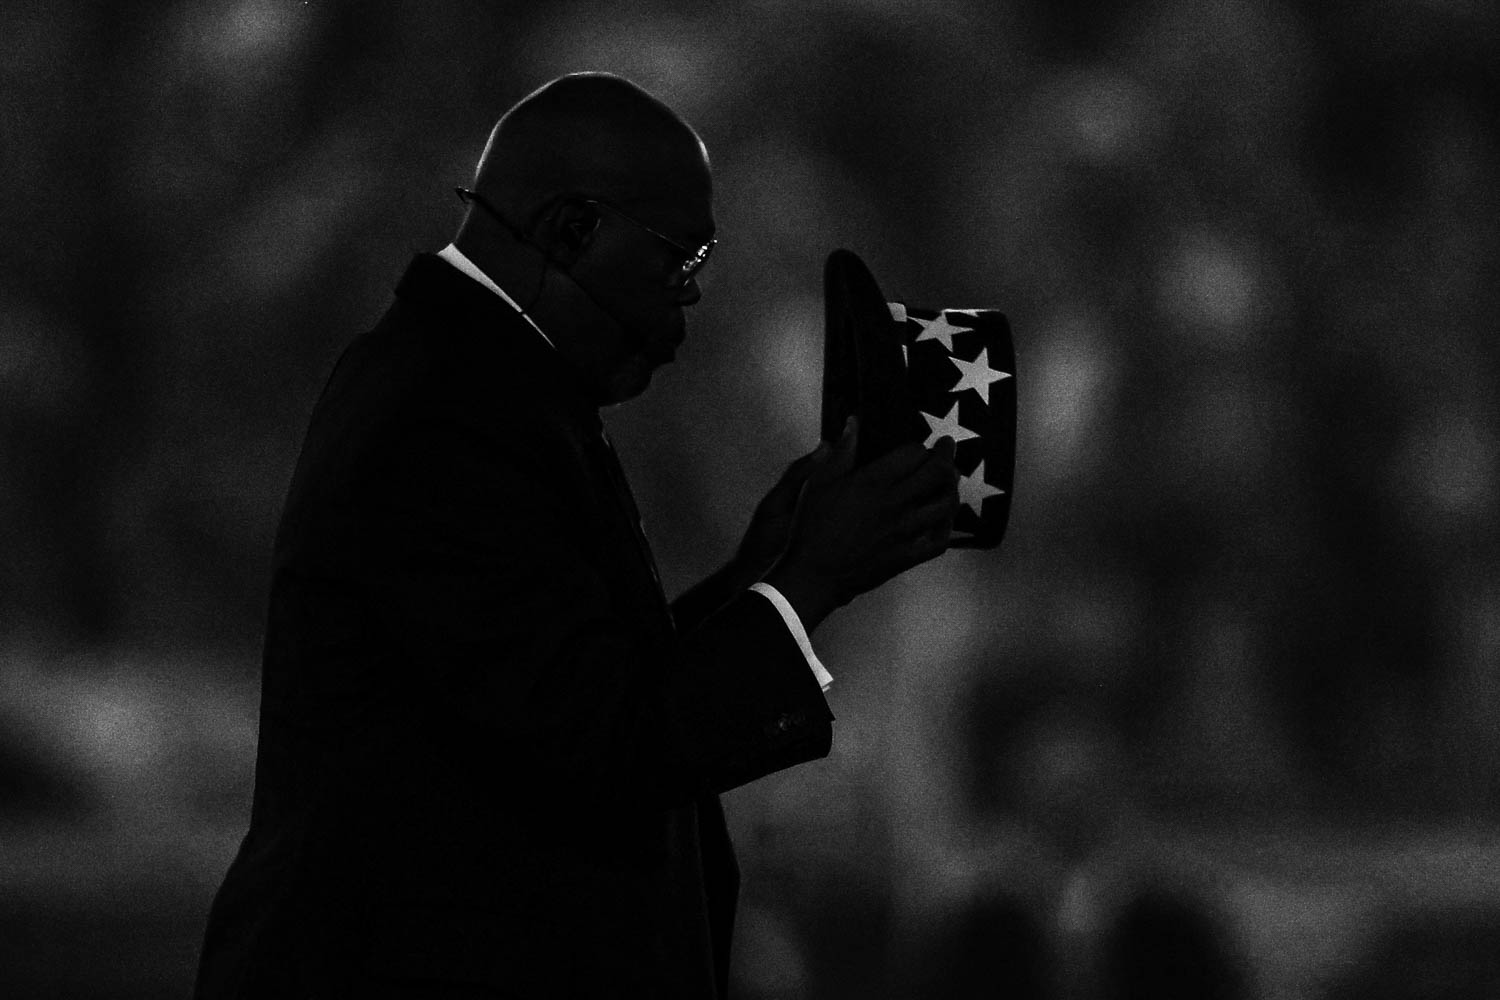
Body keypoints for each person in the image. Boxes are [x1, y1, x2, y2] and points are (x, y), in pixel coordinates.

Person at [193, 72, 960, 999]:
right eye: (679, 261)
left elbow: (573, 690)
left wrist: (755, 574)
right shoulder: (446, 414)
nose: (690, 302)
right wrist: (808, 579)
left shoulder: (478, 384)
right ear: (572, 230)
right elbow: (602, 743)